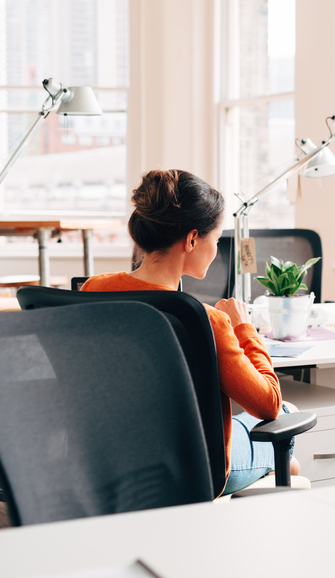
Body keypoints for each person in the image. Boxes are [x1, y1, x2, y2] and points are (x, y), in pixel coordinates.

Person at [82, 169, 299, 495]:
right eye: (216, 239)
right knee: (286, 416)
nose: (216, 250)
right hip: (192, 475)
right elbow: (267, 403)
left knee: (282, 457)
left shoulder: (93, 290)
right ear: (193, 239)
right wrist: (244, 328)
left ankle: (282, 472)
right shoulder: (206, 320)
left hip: (108, 464)